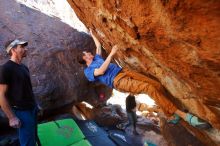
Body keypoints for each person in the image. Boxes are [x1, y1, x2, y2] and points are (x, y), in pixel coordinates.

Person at [77, 29, 211, 129]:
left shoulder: (97, 58)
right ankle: (185, 116)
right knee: (149, 88)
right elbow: (101, 71)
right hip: (118, 81)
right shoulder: (88, 71)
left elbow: (98, 47)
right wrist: (112, 54)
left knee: (156, 85)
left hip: (124, 72)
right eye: (86, 53)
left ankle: (170, 114)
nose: (89, 52)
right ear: (84, 59)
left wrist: (92, 33)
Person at [0, 39, 37, 146]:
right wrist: (11, 117)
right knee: (28, 142)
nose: (26, 49)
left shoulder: (24, 67)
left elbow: (28, 89)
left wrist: (36, 105)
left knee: (32, 138)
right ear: (13, 50)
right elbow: (1, 95)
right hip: (21, 112)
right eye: (22, 47)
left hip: (32, 109)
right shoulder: (5, 69)